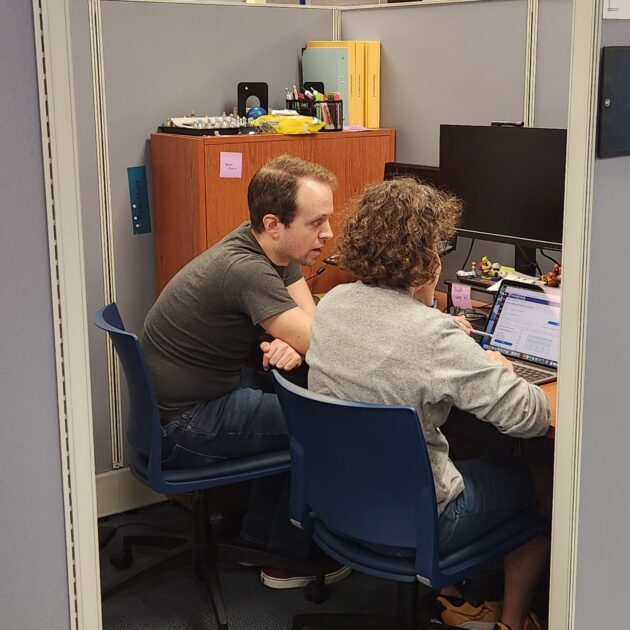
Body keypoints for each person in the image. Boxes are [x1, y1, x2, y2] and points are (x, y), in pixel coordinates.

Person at [306, 178, 552, 630]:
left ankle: (452, 597)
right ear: (427, 259)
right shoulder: (432, 338)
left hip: (338, 501)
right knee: (541, 480)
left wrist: (438, 325)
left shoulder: (334, 303)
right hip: (421, 519)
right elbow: (531, 418)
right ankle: (513, 621)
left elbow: (391, 342)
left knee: (462, 446)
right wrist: (497, 367)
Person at [140, 154, 350, 588]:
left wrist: (292, 340)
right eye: (316, 223)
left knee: (296, 395)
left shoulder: (269, 244)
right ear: (274, 223)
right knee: (321, 425)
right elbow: (320, 342)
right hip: (187, 423)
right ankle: (286, 561)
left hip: (190, 400)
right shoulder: (246, 268)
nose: (328, 234)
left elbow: (309, 326)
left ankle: (258, 539)